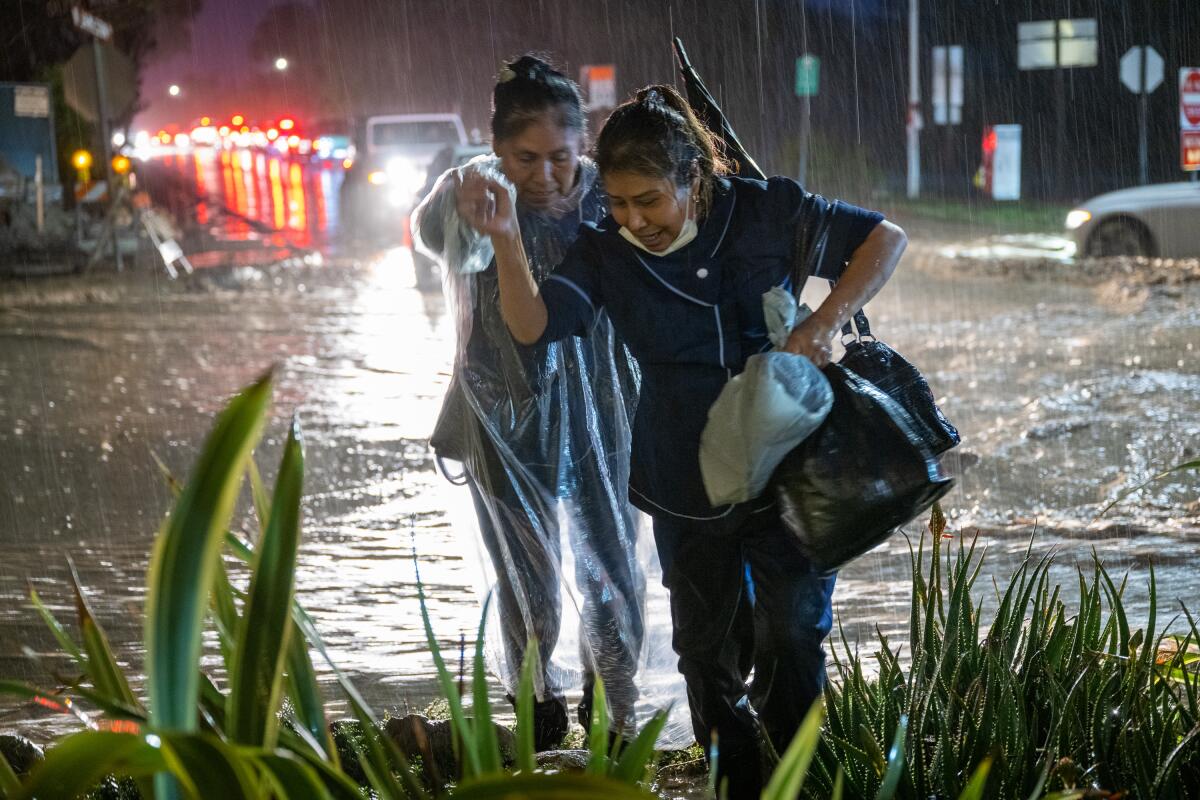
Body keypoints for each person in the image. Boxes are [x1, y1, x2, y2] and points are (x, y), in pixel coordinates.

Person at [457, 84, 908, 797]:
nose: (635, 221)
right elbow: (533, 326)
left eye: (650, 201)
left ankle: (797, 779)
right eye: (619, 203)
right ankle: (735, 780)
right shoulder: (605, 251)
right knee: (703, 650)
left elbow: (884, 239)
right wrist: (508, 240)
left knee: (791, 633)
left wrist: (822, 324)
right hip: (684, 472)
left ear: (694, 181)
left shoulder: (765, 210)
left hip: (789, 458)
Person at [413, 56, 644, 751]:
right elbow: (431, 236)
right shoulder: (476, 194)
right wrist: (463, 203)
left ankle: (614, 716)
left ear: (585, 146)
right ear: (497, 151)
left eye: (560, 158)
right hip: (505, 423)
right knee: (527, 584)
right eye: (525, 158)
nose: (544, 176)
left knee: (612, 569)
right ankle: (537, 715)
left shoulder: (612, 199)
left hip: (606, 421)